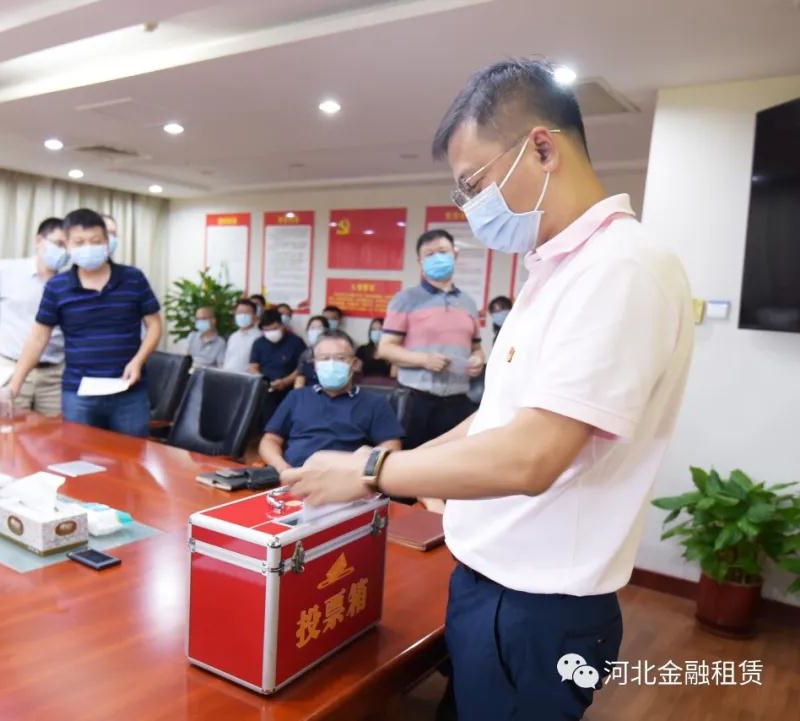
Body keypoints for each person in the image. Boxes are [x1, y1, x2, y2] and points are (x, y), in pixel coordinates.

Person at [282, 58, 693, 721]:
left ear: (542, 148)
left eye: (474, 183)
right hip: (494, 582)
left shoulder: (620, 269)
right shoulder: (555, 270)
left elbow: (532, 455)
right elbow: (495, 418)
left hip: (537, 605)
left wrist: (373, 470)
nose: (471, 208)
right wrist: (391, 466)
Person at [0, 208, 162, 437]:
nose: (88, 247)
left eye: (95, 241)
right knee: (77, 453)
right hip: (79, 394)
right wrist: (14, 385)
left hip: (129, 392)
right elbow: (38, 338)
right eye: (79, 242)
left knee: (132, 455)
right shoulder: (57, 287)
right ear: (68, 246)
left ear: (107, 242)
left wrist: (138, 361)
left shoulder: (133, 278)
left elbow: (154, 325)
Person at [377, 229, 485, 449]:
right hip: (416, 401)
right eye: (429, 254)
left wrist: (478, 359)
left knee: (453, 462)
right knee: (409, 462)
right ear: (420, 261)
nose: (437, 258)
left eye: (443, 251)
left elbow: (477, 347)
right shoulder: (405, 299)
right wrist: (424, 360)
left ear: (455, 254)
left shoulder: (468, 302)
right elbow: (386, 348)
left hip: (458, 401)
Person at [260, 330, 403, 472]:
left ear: (354, 363)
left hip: (346, 478)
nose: (332, 364)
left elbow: (391, 445)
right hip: (293, 475)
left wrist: (366, 473)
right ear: (315, 365)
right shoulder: (296, 397)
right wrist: (282, 467)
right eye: (324, 358)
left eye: (340, 358)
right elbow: (270, 440)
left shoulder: (374, 402)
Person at [0, 217, 68, 416]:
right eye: (58, 244)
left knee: (54, 432)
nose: (63, 251)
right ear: (39, 240)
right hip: (9, 367)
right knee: (6, 427)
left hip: (53, 373)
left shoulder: (69, 281)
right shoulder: (7, 270)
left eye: (67, 246)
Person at [248, 308, 307, 420]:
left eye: (275, 328)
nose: (271, 333)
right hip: (266, 392)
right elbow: (253, 367)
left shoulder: (296, 342)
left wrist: (285, 382)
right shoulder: (259, 343)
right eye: (267, 330)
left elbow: (302, 368)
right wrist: (265, 381)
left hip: (290, 390)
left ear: (282, 325)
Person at [223, 298, 261, 373]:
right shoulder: (233, 336)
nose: (243, 315)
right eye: (239, 312)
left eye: (247, 313)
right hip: (228, 376)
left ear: (254, 316)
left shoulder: (259, 337)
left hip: (247, 378)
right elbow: (227, 359)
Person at [293, 315, 328, 389]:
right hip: (309, 391)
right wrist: (297, 392)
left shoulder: (333, 352)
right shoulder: (305, 354)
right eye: (312, 328)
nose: (315, 331)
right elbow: (300, 377)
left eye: (319, 328)